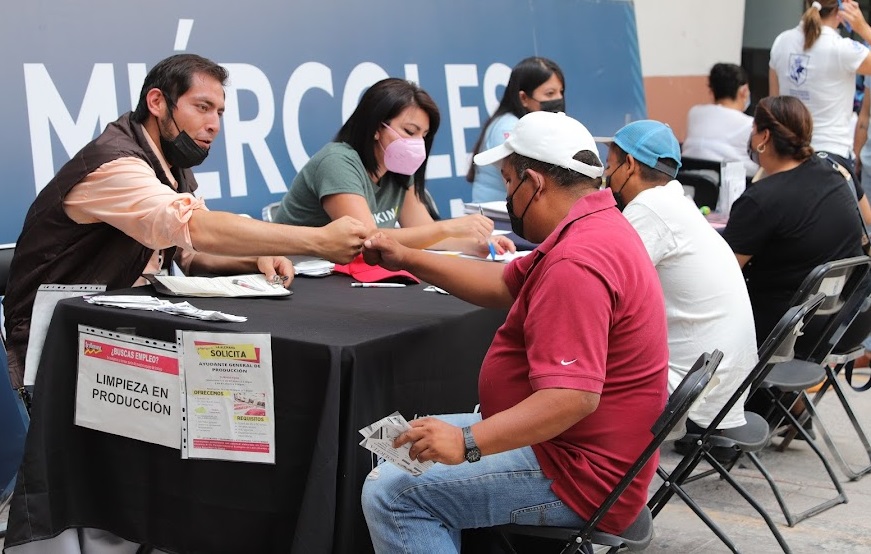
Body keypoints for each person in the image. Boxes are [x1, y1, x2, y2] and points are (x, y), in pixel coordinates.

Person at [359, 111, 669, 552]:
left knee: (393, 494)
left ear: (535, 184)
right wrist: (407, 255)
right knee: (397, 443)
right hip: (578, 453)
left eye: (508, 182)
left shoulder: (575, 263)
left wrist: (467, 442)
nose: (505, 195)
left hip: (577, 473)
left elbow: (572, 398)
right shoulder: (594, 225)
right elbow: (501, 283)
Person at [2, 54, 369, 390]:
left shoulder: (171, 165)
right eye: (202, 107)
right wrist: (317, 241)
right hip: (58, 342)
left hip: (117, 331)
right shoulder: (115, 165)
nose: (214, 125)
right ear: (158, 102)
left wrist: (254, 259)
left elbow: (192, 253)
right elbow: (197, 228)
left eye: (220, 113)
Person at [605, 120, 758, 446]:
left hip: (695, 389)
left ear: (629, 165)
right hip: (722, 380)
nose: (606, 176)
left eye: (609, 165)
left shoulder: (649, 207)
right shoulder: (676, 204)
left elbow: (608, 286)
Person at [274, 78, 514, 258]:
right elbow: (367, 239)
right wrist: (448, 226)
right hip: (297, 274)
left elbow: (424, 235)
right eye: (409, 132)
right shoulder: (337, 162)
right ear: (377, 128)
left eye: (424, 135)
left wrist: (474, 245)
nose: (417, 143)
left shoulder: (398, 169)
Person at [722, 96, 865, 345]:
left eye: (754, 130)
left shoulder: (761, 200)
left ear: (764, 137)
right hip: (841, 321)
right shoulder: (835, 174)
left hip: (781, 330)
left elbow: (723, 273)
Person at [769, 0, 871, 180]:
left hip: (786, 155)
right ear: (841, 8)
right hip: (831, 158)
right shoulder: (843, 48)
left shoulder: (781, 42)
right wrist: (863, 28)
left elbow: (773, 102)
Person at [466, 56, 566, 203]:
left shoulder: (538, 126)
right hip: (497, 221)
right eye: (549, 93)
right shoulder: (508, 127)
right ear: (524, 98)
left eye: (561, 92)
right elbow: (527, 186)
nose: (558, 99)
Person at [681, 63, 759, 177]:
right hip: (731, 189)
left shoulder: (694, 113)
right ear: (744, 90)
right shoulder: (750, 125)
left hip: (690, 183)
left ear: (712, 91)